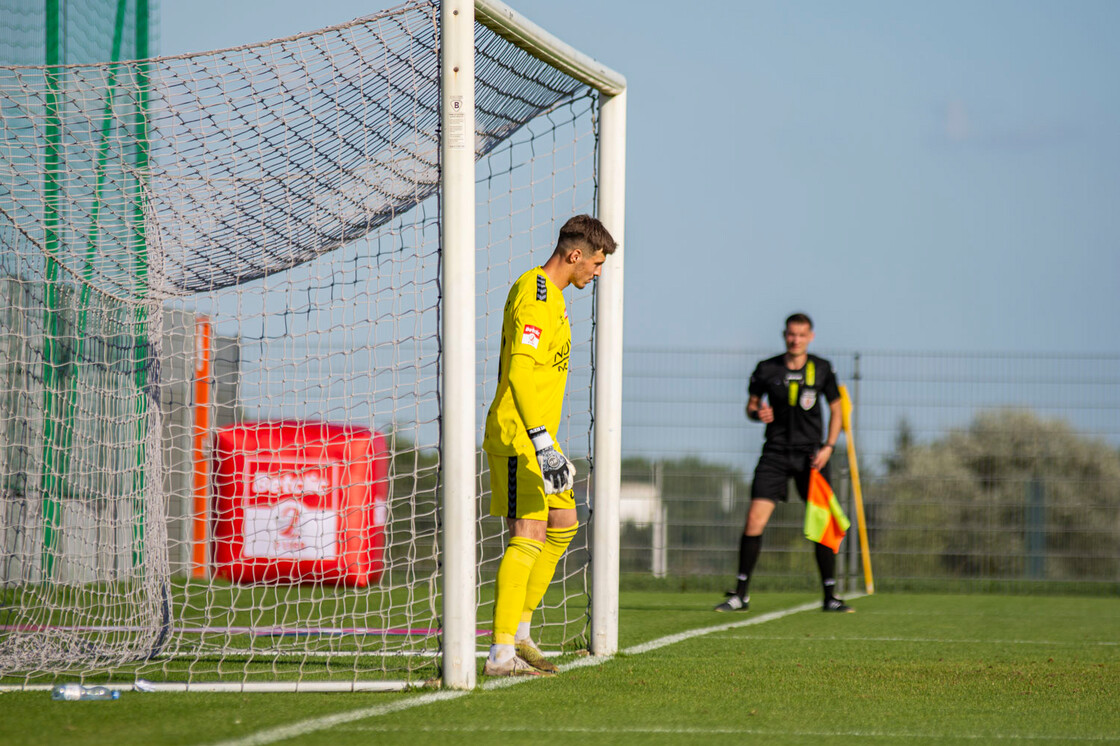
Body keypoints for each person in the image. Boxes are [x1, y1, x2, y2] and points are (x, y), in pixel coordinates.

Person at [482, 214, 618, 676]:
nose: (597, 274)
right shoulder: (536, 294)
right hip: (520, 436)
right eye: (596, 264)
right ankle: (501, 652)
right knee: (529, 533)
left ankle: (520, 632)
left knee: (563, 523)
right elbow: (519, 371)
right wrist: (540, 441)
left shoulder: (555, 300)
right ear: (575, 254)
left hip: (539, 437)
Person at [715, 313, 854, 613]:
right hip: (775, 453)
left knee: (822, 524)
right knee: (754, 520)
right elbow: (752, 406)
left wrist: (829, 446)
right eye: (791, 334)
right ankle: (740, 594)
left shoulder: (823, 368)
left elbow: (837, 409)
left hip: (812, 457)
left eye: (802, 335)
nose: (796, 339)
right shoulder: (767, 369)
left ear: (811, 336)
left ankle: (830, 596)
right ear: (784, 335)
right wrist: (757, 413)